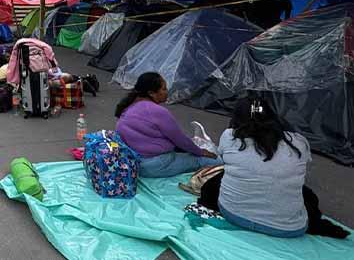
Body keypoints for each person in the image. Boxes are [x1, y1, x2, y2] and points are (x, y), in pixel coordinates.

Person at [198, 99, 349, 239]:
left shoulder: (229, 136)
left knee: (219, 180)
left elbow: (228, 161)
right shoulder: (298, 143)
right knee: (306, 194)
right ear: (272, 117)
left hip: (233, 215)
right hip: (288, 229)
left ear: (236, 118)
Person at [115, 72, 221, 177]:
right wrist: (201, 152)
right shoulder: (157, 111)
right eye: (164, 89)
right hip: (155, 165)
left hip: (135, 164)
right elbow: (180, 140)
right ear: (151, 93)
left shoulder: (128, 107)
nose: (167, 91)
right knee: (209, 161)